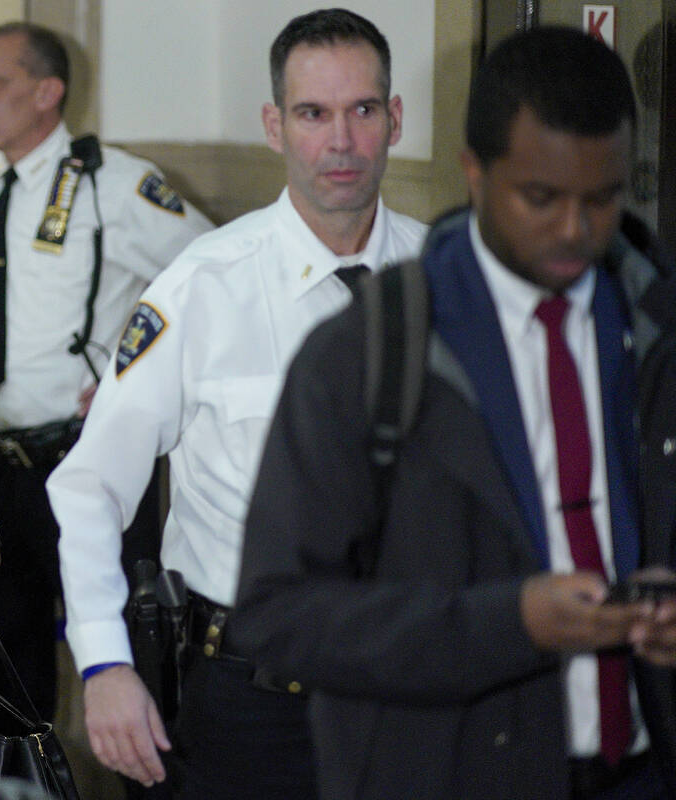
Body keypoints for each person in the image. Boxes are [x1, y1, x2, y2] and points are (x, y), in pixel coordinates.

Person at [233, 25, 676, 800]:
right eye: (540, 197)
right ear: (474, 174)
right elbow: (281, 617)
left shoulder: (656, 331)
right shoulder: (367, 354)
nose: (574, 229)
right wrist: (511, 623)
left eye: (601, 199)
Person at [46, 9, 426, 797]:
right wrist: (106, 661)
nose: (342, 140)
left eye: (362, 110)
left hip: (410, 691)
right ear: (274, 126)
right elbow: (88, 488)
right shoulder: (202, 287)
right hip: (250, 702)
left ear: (395, 120)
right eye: (313, 114)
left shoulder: (448, 279)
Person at [0, 21, 212, 721]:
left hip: (89, 460)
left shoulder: (115, 183)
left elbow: (206, 281)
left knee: (129, 662)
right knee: (0, 675)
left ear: (48, 92)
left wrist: (130, 372)